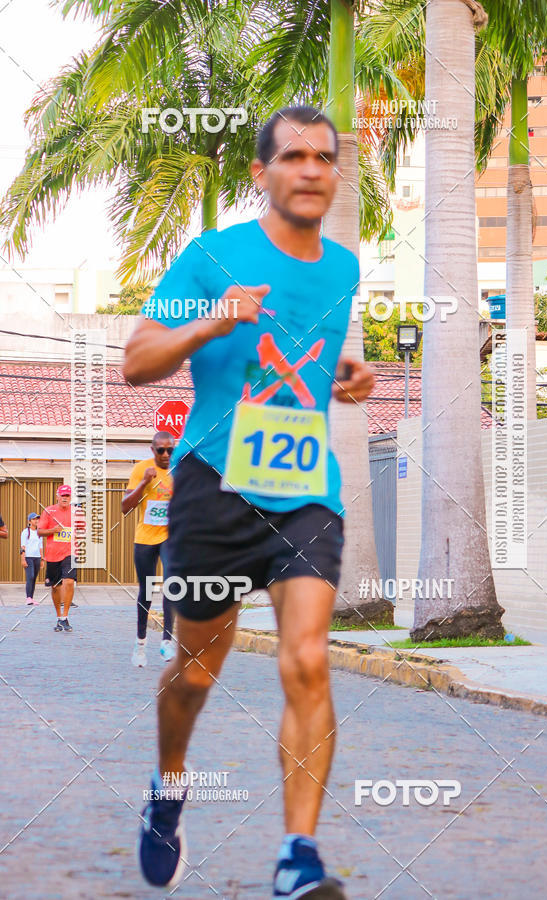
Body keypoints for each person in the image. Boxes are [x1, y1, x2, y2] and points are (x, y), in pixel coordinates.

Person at [123, 105, 374, 900]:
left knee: (307, 660)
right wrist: (211, 320)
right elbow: (137, 362)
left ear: (336, 175)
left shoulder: (343, 268)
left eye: (324, 158)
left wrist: (347, 373)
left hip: (305, 490)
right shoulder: (211, 256)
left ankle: (297, 855)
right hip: (213, 485)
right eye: (293, 156)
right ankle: (168, 789)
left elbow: (309, 350)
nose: (310, 169)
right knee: (195, 672)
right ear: (262, 173)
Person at [122, 432, 176, 666]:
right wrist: (144, 482)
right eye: (160, 450)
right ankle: (140, 643)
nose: (165, 455)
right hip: (145, 538)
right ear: (152, 450)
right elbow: (125, 507)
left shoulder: (179, 470)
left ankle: (166, 641)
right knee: (147, 589)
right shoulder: (141, 469)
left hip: (170, 536)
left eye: (170, 450)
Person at [38, 485, 82, 632]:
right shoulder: (49, 511)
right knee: (55, 587)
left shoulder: (76, 512)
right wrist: (53, 530)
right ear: (57, 496)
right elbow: (39, 531)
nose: (65, 498)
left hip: (70, 553)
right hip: (52, 555)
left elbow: (83, 530)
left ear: (71, 497)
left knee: (69, 582)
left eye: (68, 496)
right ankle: (59, 618)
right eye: (63, 495)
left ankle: (65, 616)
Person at [20, 512, 45, 605]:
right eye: (34, 519)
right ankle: (28, 598)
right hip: (28, 558)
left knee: (34, 578)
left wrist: (42, 559)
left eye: (38, 519)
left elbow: (40, 546)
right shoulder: (26, 532)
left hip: (37, 558)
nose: (37, 520)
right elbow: (22, 546)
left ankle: (31, 598)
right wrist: (23, 559)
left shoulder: (39, 532)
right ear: (29, 521)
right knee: (30, 577)